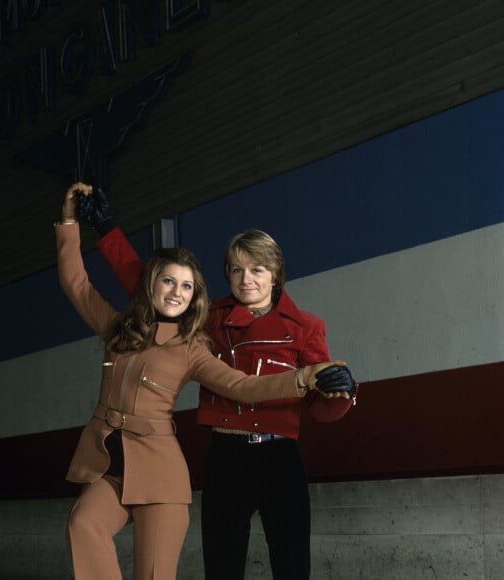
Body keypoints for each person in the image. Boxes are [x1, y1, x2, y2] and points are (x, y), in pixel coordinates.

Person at [55, 183, 347, 580]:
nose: (247, 279)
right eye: (237, 270)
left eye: (258, 269)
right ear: (226, 273)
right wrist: (101, 228)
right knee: (217, 567)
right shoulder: (203, 319)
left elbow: (297, 399)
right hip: (220, 457)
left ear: (276, 275)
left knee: (292, 566)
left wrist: (327, 384)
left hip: (274, 459)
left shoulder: (298, 328)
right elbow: (137, 281)